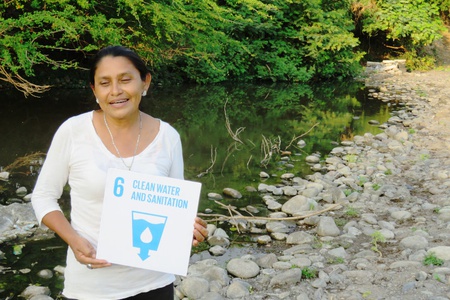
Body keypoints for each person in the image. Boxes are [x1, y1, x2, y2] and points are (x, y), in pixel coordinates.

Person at [31, 45, 208, 300]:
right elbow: (43, 196)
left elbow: (174, 205)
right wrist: (73, 240)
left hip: (155, 283)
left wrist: (188, 227)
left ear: (144, 82)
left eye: (125, 80)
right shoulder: (74, 131)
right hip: (91, 287)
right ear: (94, 90)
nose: (115, 91)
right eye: (105, 83)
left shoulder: (167, 136)